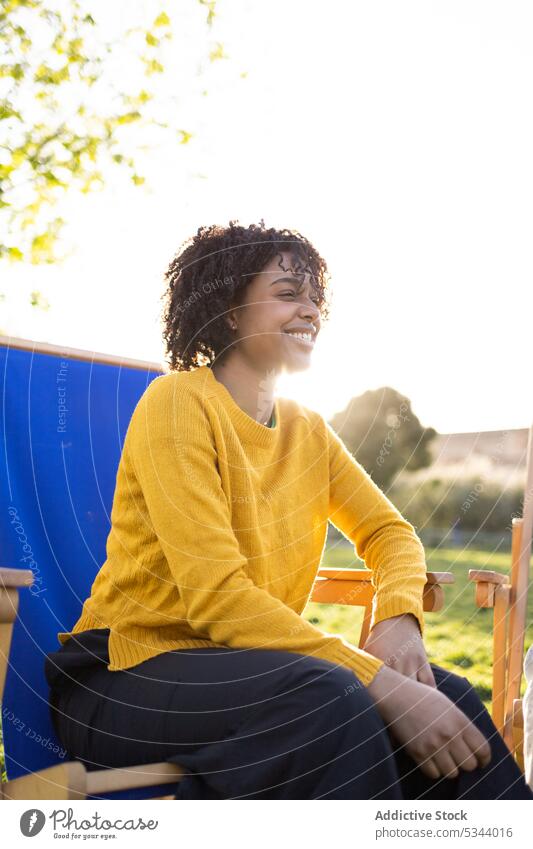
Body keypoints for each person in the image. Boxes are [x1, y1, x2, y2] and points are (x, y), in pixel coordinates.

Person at [44, 220, 533, 800]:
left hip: (259, 675)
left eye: (313, 297)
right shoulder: (177, 404)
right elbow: (218, 598)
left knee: (443, 695)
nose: (309, 312)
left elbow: (389, 532)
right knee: (332, 697)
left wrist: (399, 621)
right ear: (229, 309)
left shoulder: (308, 429)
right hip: (121, 682)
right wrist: (373, 677)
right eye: (286, 294)